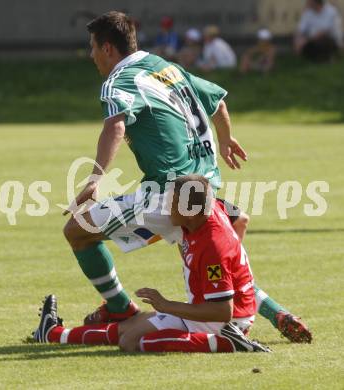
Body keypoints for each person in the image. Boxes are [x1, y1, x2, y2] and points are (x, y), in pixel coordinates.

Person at [62, 11, 311, 344]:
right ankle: (276, 312)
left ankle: (120, 308)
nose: (91, 56)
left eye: (92, 48)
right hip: (204, 190)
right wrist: (225, 139)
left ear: (108, 48)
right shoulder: (168, 68)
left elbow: (116, 125)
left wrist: (95, 178)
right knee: (218, 260)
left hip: (169, 194)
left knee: (77, 231)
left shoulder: (119, 80)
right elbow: (218, 101)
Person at [34, 175, 271, 353]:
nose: (166, 207)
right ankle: (52, 334)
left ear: (189, 212)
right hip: (207, 313)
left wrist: (166, 305)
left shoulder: (212, 246)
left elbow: (222, 311)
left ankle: (227, 342)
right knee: (129, 326)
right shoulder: (202, 215)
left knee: (132, 342)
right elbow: (239, 217)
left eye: (172, 202)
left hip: (224, 323)